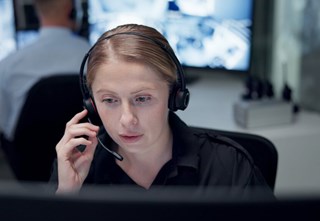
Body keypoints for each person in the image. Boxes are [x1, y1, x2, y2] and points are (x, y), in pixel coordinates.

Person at [50, 24, 273, 196]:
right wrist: (67, 195)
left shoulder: (228, 167)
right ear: (91, 103)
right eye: (109, 100)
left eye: (142, 98)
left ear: (174, 95)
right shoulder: (76, 162)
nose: (127, 120)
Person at [0, 0, 90, 141]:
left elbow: (5, 128)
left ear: (35, 12)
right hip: (87, 154)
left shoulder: (7, 66)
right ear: (72, 10)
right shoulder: (96, 61)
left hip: (28, 160)